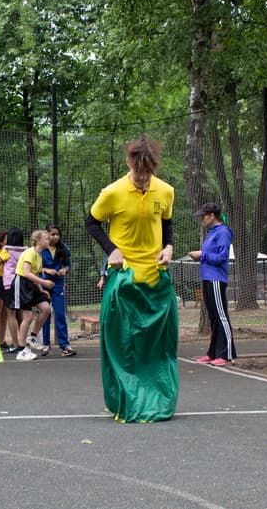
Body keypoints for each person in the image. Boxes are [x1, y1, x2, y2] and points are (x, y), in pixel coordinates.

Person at [85, 134, 179, 423]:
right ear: (129, 163)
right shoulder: (112, 192)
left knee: (158, 344)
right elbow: (92, 222)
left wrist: (168, 247)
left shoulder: (165, 191)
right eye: (138, 173)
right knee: (122, 342)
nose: (142, 179)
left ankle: (158, 396)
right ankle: (125, 397)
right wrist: (111, 250)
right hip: (123, 277)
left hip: (155, 277)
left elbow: (167, 223)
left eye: (147, 174)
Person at [188, 202, 237, 366]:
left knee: (221, 316)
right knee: (213, 317)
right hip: (207, 278)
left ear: (211, 216)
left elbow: (222, 257)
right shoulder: (212, 233)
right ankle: (213, 352)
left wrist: (202, 255)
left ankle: (226, 353)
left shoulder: (223, 232)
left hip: (217, 279)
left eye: (204, 216)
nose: (202, 219)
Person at [14, 230, 55, 362]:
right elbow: (26, 273)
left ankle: (32, 337)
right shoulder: (29, 252)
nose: (49, 240)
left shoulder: (39, 255)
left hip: (32, 285)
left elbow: (35, 274)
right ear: (38, 240)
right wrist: (44, 282)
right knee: (28, 317)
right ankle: (21, 350)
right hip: (22, 284)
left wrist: (41, 289)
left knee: (46, 309)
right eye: (46, 238)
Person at [41, 224, 75, 357]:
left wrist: (64, 270)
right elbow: (34, 267)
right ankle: (45, 344)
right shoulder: (40, 248)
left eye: (57, 234)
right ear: (47, 234)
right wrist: (46, 270)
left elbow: (68, 264)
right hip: (44, 284)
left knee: (60, 314)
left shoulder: (63, 247)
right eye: (52, 234)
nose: (55, 237)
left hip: (58, 284)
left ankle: (65, 345)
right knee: (45, 313)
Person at [1, 227, 26, 353]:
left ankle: (16, 343)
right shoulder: (26, 250)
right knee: (21, 314)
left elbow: (0, 262)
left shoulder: (6, 249)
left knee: (10, 314)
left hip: (9, 283)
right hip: (22, 283)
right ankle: (23, 343)